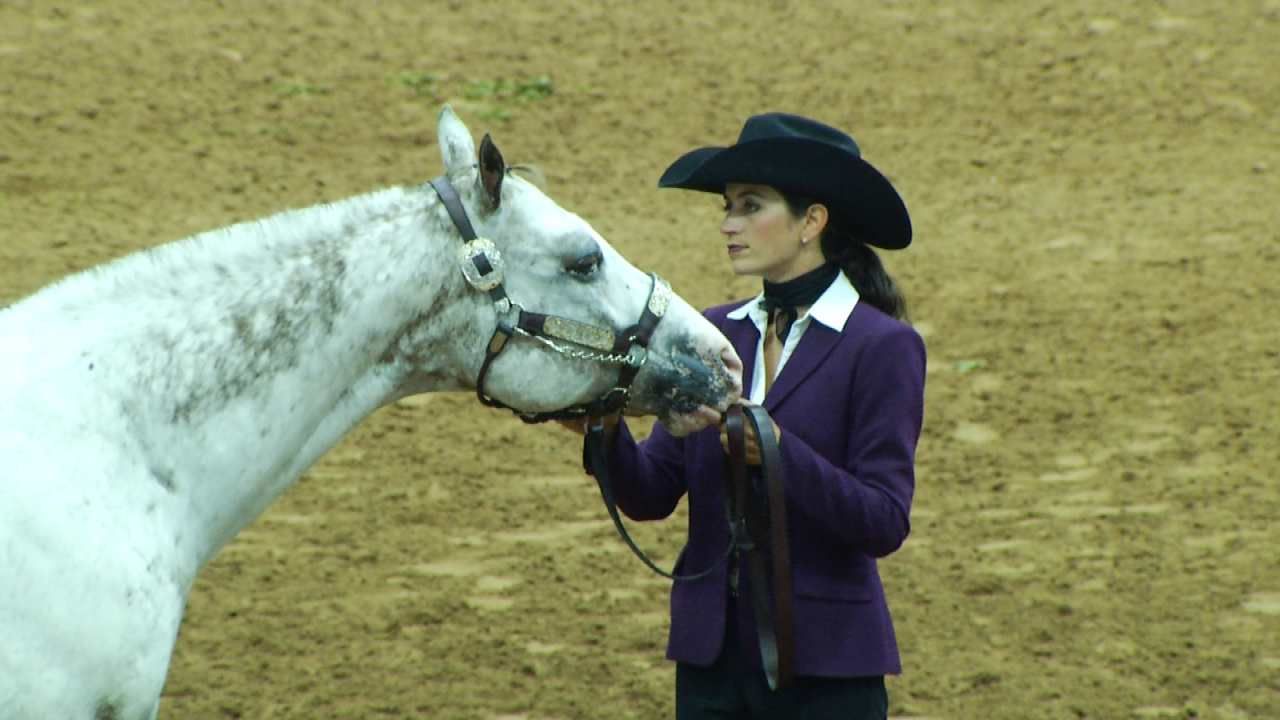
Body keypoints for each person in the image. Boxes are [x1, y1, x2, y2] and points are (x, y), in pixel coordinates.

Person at [572, 112, 926, 719]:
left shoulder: (883, 346)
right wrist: (603, 426)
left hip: (829, 669)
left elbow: (884, 520)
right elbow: (652, 493)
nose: (728, 225)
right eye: (728, 207)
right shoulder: (712, 333)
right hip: (711, 663)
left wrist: (778, 453)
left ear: (812, 221)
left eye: (749, 206)